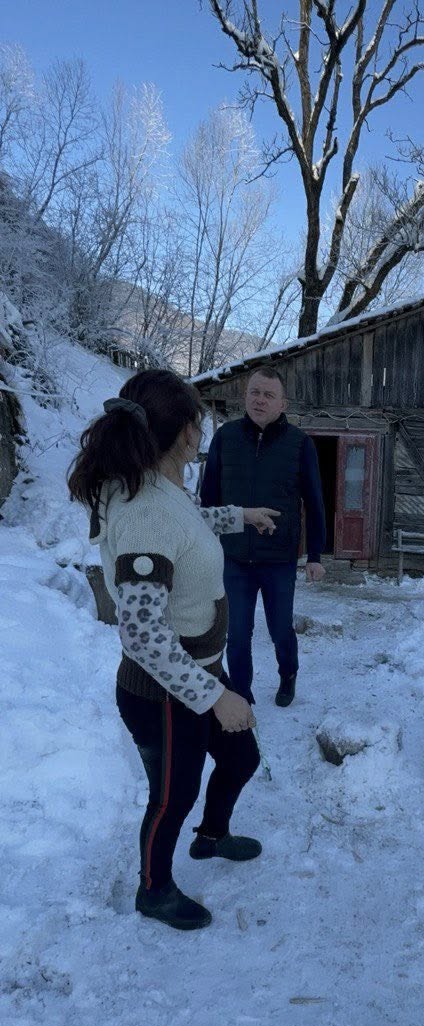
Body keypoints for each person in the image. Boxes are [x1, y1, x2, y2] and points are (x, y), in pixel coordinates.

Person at [68, 369, 279, 931]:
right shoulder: (144, 512)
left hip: (197, 672)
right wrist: (215, 697)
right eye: (198, 422)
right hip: (162, 694)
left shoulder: (160, 487)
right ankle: (154, 890)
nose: (200, 432)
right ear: (185, 432)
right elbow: (141, 635)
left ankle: (211, 837)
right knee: (172, 796)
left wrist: (240, 516)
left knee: (241, 758)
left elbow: (188, 526)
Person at [200, 366, 326, 708]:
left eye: (269, 395)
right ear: (245, 396)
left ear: (282, 403)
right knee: (237, 634)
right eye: (255, 392)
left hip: (278, 559)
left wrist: (315, 555)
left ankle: (288, 673)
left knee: (280, 629)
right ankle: (242, 695)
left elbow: (315, 502)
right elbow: (208, 498)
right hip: (235, 558)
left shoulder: (300, 444)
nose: (260, 400)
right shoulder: (225, 438)